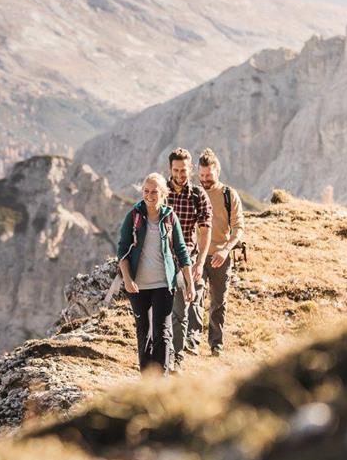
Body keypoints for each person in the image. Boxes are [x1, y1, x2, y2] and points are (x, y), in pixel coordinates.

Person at [103, 173, 194, 374]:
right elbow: (122, 250)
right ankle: (146, 382)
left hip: (164, 284)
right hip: (138, 286)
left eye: (154, 192)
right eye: (146, 191)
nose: (149, 195)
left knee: (162, 333)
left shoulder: (170, 216)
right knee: (143, 333)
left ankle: (160, 380)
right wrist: (127, 279)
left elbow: (181, 251)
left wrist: (190, 283)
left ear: (163, 194)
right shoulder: (133, 216)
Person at [166, 148, 212, 363]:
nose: (180, 175)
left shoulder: (197, 195)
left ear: (190, 169)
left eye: (184, 170)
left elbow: (205, 229)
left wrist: (200, 263)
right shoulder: (161, 191)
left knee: (180, 308)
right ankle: (160, 353)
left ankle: (177, 357)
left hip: (187, 259)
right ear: (170, 169)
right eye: (176, 170)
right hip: (162, 258)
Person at [198, 148, 244, 356]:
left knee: (218, 302)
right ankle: (191, 341)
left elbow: (238, 227)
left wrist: (225, 251)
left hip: (220, 256)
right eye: (201, 175)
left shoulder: (228, 195)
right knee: (194, 297)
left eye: (208, 175)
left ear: (217, 172)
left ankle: (216, 344)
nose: (205, 179)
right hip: (196, 256)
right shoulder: (194, 194)